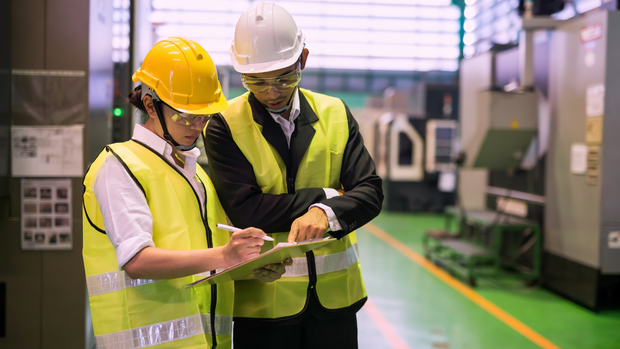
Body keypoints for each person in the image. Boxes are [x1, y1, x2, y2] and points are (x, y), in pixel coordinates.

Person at [82, 37, 288, 349]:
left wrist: (249, 266)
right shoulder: (120, 166)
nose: (196, 126)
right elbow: (137, 260)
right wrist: (225, 255)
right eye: (184, 115)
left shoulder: (194, 174)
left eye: (203, 116)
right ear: (151, 105)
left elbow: (205, 258)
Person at [204, 3, 384, 348]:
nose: (272, 92)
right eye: (257, 81)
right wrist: (330, 198)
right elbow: (247, 209)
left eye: (284, 77)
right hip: (263, 306)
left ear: (302, 59)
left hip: (335, 304)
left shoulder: (335, 112)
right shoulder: (224, 124)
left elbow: (370, 192)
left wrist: (324, 214)